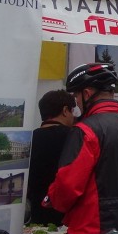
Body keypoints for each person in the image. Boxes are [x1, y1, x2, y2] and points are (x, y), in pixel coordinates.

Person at [47, 62, 118, 234]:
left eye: (76, 96)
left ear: (87, 94)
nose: (77, 103)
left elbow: (68, 186)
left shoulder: (85, 131)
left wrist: (52, 198)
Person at [26, 89, 75, 225]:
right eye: (72, 111)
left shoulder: (29, 139)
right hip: (68, 215)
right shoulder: (75, 137)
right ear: (65, 111)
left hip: (37, 213)